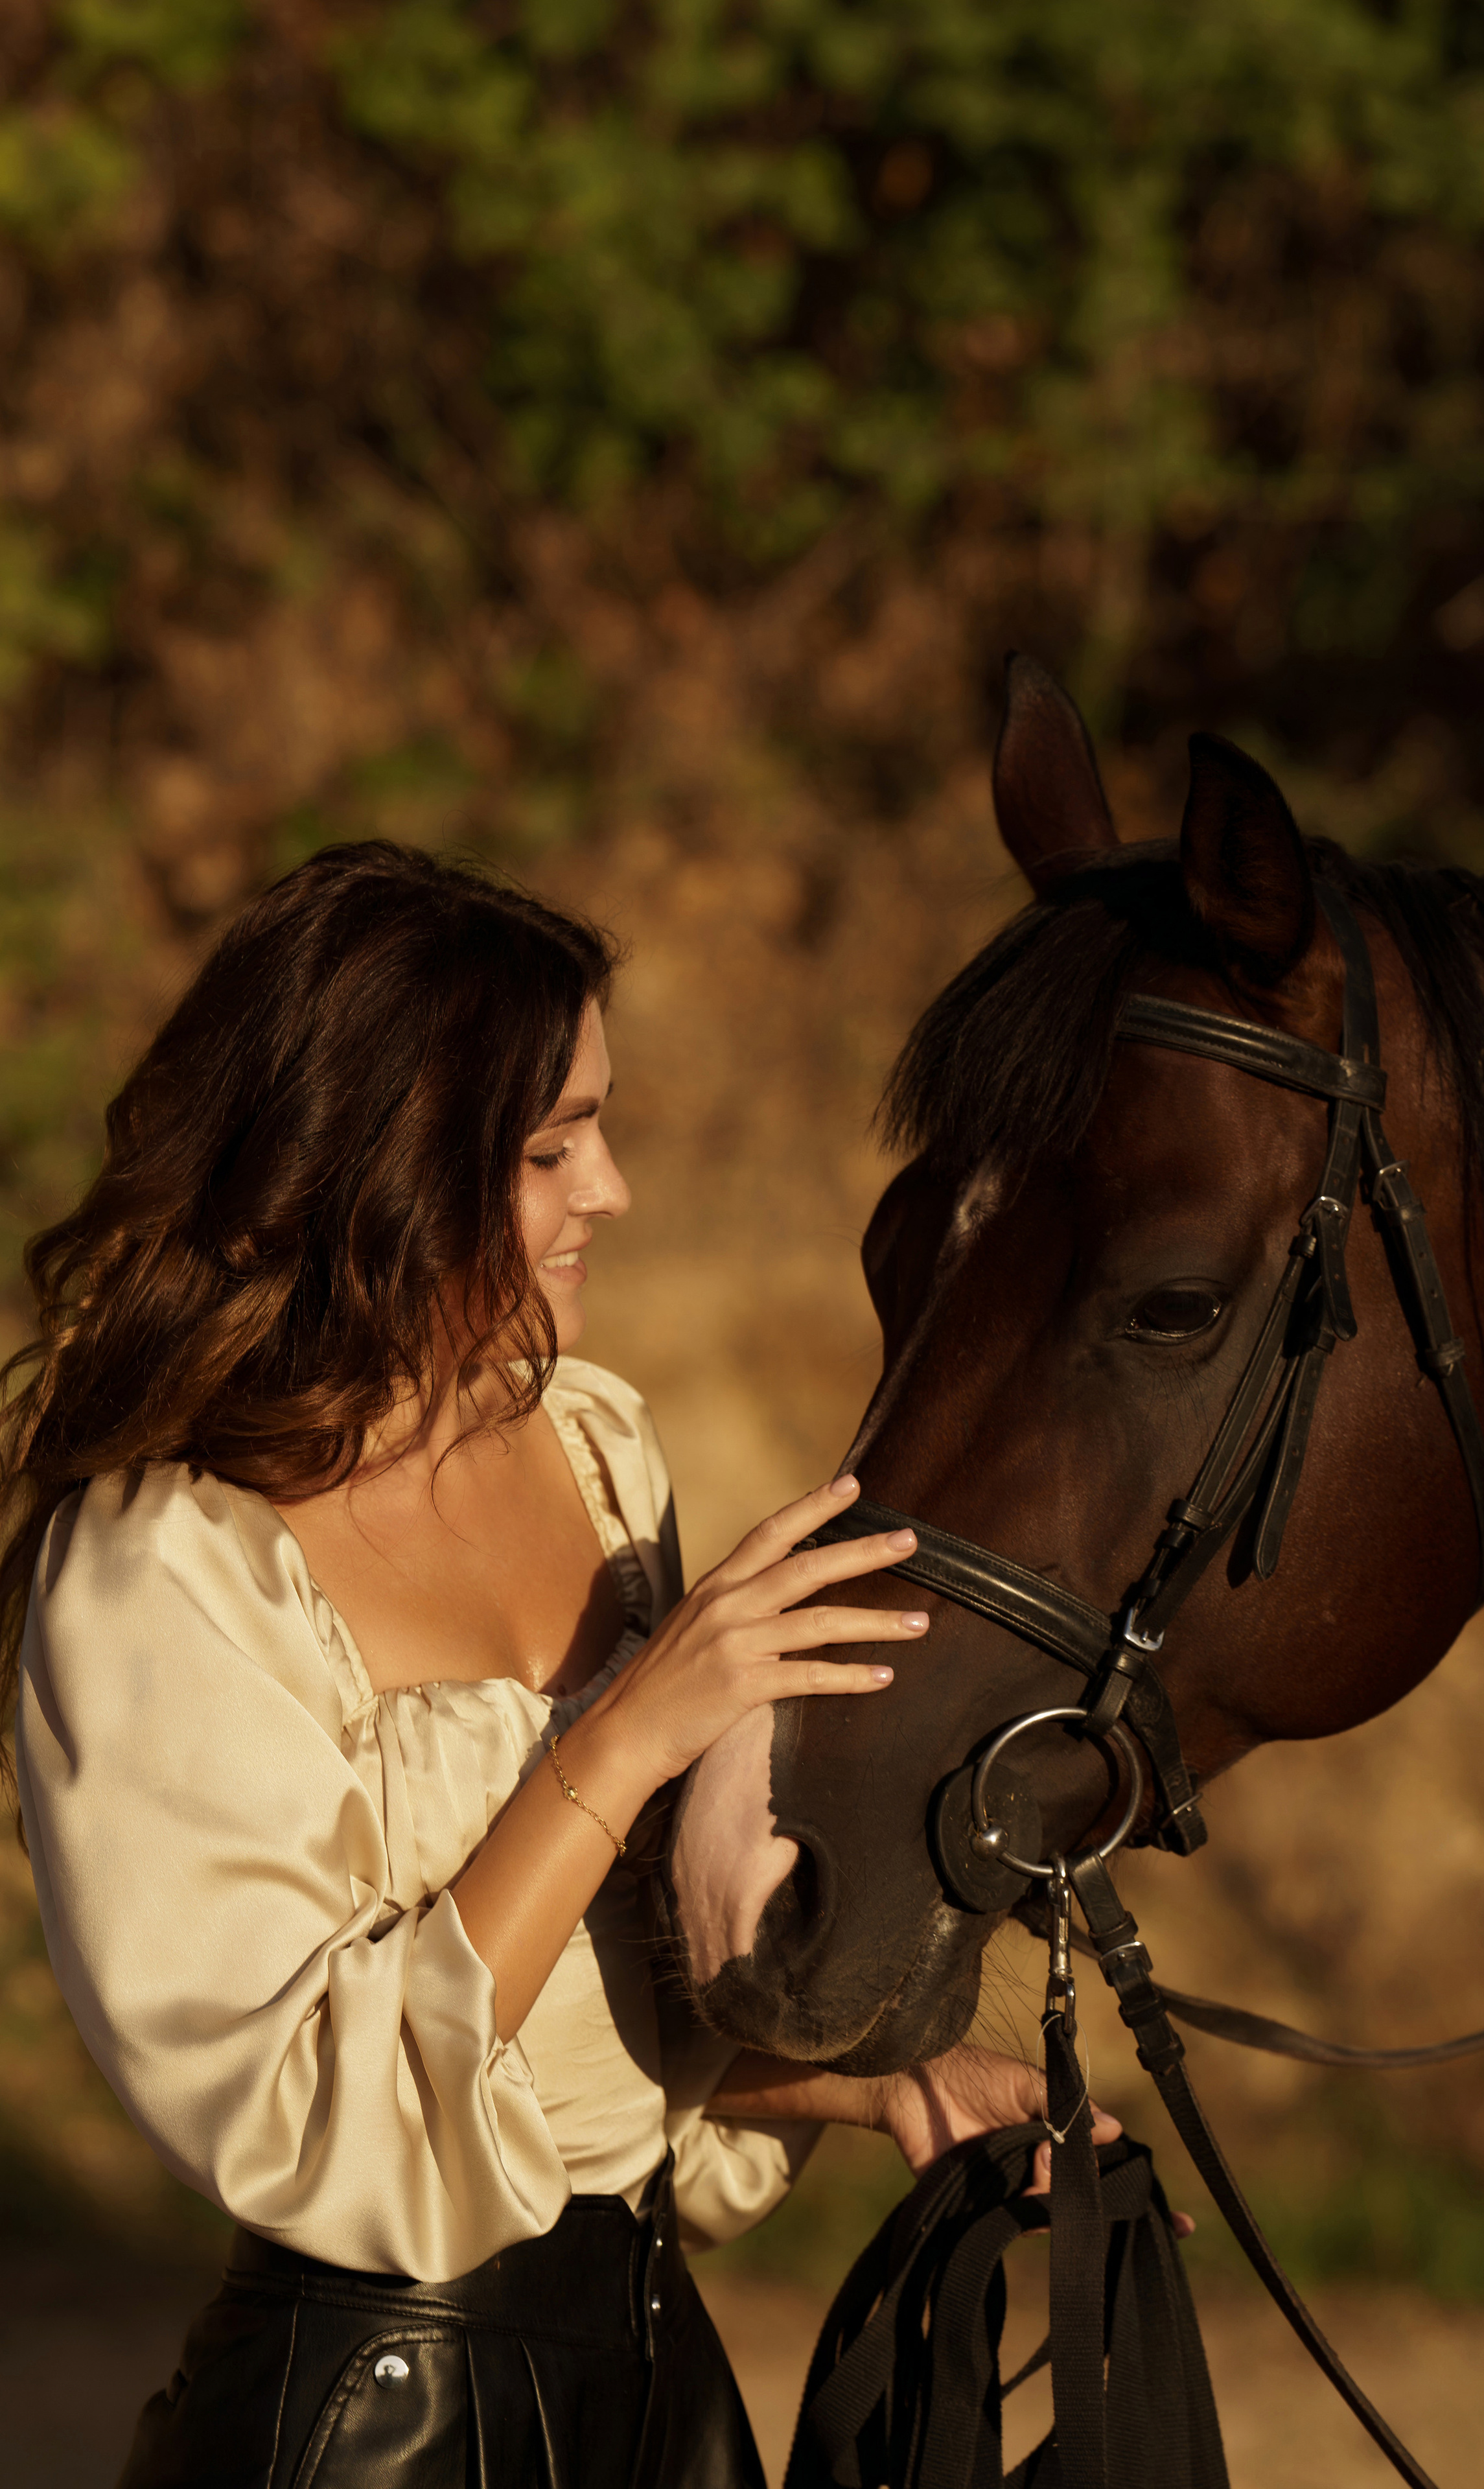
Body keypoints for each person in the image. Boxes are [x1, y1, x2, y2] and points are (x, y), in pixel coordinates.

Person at [3, 843, 1115, 2489]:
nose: (611, 1190)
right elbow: (318, 2106)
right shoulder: (163, 1561)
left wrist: (882, 2081)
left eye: (595, 1126)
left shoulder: (592, 1446)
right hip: (371, 2426)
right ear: (383, 1166)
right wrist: (627, 1734)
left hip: (662, 2401)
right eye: (549, 1147)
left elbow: (591, 2018)